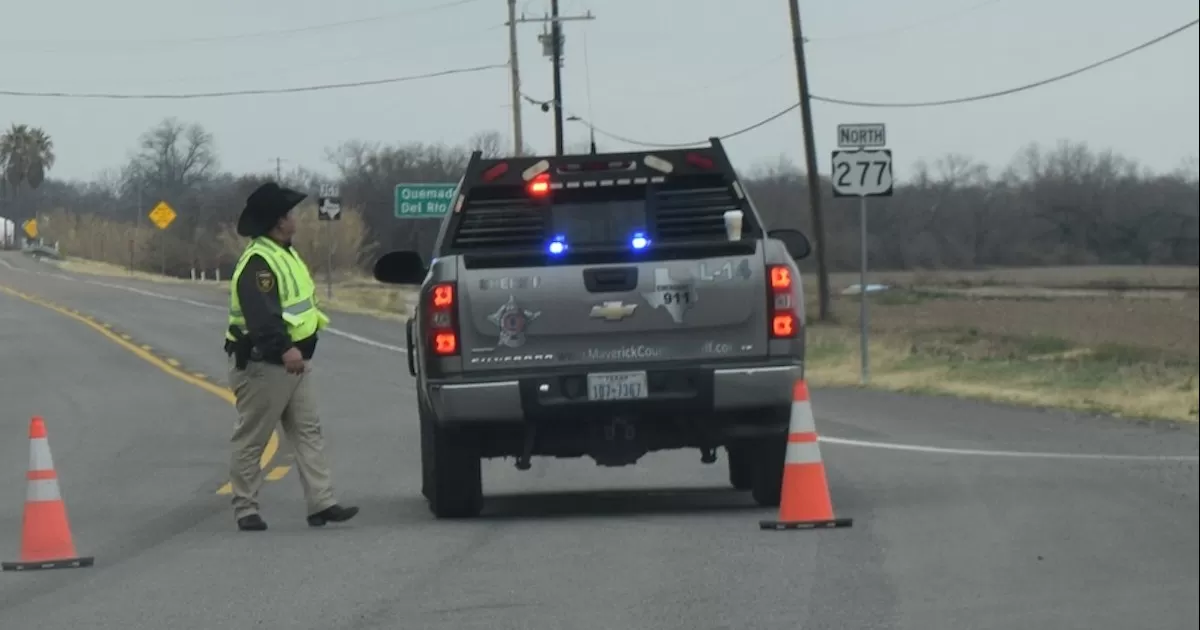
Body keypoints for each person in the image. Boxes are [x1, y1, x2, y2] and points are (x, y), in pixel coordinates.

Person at [224, 182, 358, 532]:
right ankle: (245, 508)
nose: (295, 218)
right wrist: (284, 348)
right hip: (265, 364)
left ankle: (322, 503)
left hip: (295, 363)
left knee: (308, 432)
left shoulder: (284, 253)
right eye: (290, 214)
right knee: (253, 437)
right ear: (277, 222)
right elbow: (262, 317)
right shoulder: (259, 263)